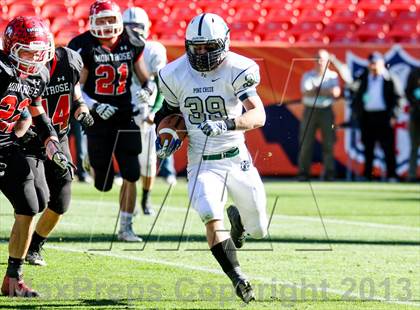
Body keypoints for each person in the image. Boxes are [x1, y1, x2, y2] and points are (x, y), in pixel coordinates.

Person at [155, 13, 268, 303]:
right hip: (201, 160)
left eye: (209, 46)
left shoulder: (238, 68)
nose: (202, 53)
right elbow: (169, 116)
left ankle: (239, 221)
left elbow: (258, 115)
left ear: (224, 43)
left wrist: (227, 123)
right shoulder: (174, 73)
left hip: (235, 156)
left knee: (259, 230)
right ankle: (238, 277)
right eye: (197, 47)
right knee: (208, 213)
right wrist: (167, 136)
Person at [68, 0, 152, 242]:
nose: (106, 25)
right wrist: (94, 105)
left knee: (132, 172)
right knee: (103, 184)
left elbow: (146, 79)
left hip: (124, 114)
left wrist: (148, 91)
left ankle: (126, 228)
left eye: (110, 20)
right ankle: (90, 162)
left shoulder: (131, 40)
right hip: (97, 117)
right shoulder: (84, 46)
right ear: (92, 22)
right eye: (101, 20)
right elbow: (77, 87)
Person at [0, 16, 70, 297]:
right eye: (27, 51)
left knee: (35, 201)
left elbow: (37, 109)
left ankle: (12, 279)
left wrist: (50, 139)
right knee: (30, 202)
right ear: (10, 47)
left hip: (8, 143)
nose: (34, 58)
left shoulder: (39, 73)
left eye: (39, 51)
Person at [22, 37, 94, 266]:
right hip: (32, 140)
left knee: (61, 201)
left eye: (39, 52)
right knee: (37, 199)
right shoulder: (26, 70)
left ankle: (34, 246)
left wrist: (81, 109)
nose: (35, 57)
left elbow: (75, 94)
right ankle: (20, 250)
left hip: (60, 136)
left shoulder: (70, 61)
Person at [122, 7, 167, 215]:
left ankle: (146, 199)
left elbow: (162, 84)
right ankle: (127, 207)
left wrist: (154, 111)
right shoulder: (117, 50)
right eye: (129, 27)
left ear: (146, 28)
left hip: (145, 111)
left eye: (138, 27)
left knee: (148, 163)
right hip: (123, 112)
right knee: (128, 165)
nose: (134, 31)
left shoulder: (153, 49)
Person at [353, 52, 399, 181]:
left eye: (375, 63)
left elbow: (398, 97)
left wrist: (394, 115)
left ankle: (392, 175)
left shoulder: (389, 78)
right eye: (371, 63)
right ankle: (368, 175)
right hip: (368, 117)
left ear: (382, 63)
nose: (373, 66)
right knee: (368, 148)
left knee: (388, 148)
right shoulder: (364, 77)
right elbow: (357, 94)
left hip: (384, 117)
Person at [298, 49, 341, 181]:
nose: (319, 61)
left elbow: (336, 93)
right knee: (306, 143)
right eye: (317, 58)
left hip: (326, 110)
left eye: (322, 58)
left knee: (329, 142)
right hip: (310, 110)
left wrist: (317, 90)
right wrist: (326, 91)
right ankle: (304, 173)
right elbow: (306, 92)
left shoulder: (333, 76)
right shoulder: (308, 75)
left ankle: (329, 173)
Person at [405, 66, 420, 182]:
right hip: (416, 114)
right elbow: (408, 91)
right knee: (414, 146)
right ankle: (412, 175)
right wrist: (415, 103)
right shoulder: (415, 73)